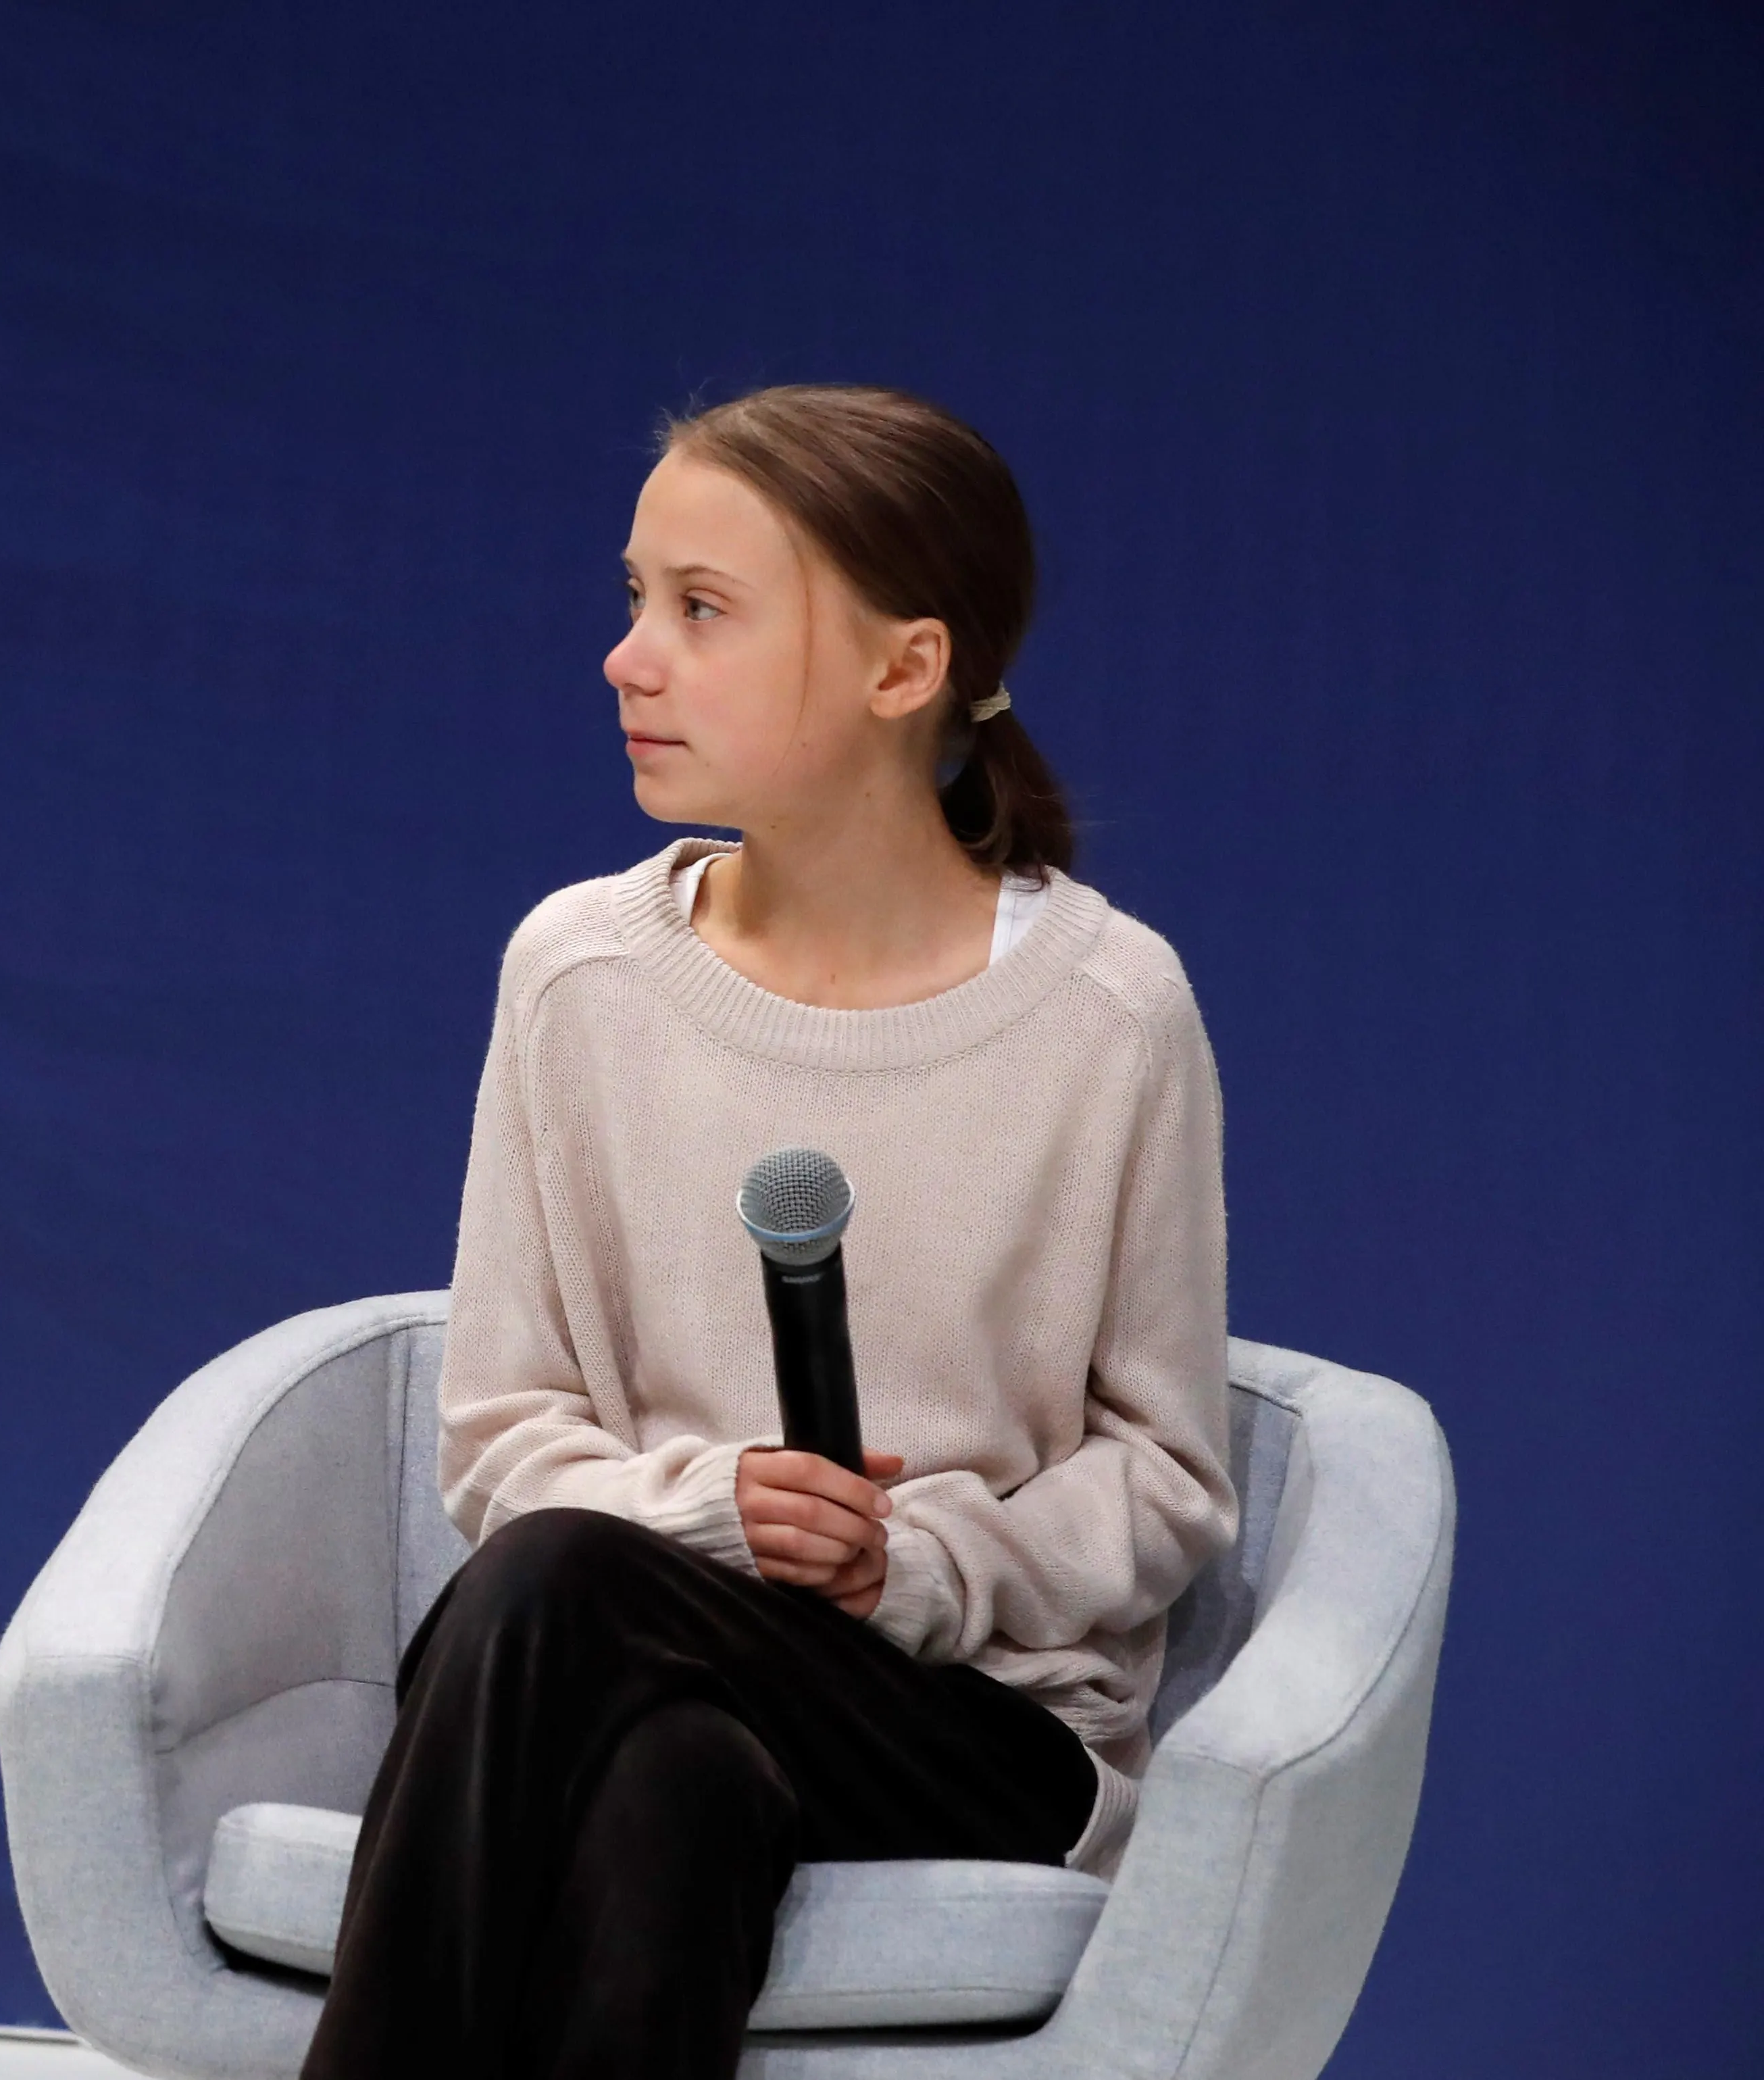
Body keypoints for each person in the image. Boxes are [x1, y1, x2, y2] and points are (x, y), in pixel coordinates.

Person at [299, 386, 1236, 2080]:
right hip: (632, 1654)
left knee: (559, 1587)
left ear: (907, 669)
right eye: (635, 598)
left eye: (702, 610)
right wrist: (714, 1514)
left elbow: (1169, 1476)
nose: (627, 658)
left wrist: (925, 1563)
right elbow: (506, 1435)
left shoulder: (1111, 1011)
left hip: (971, 1726)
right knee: (673, 1780)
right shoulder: (578, 974)